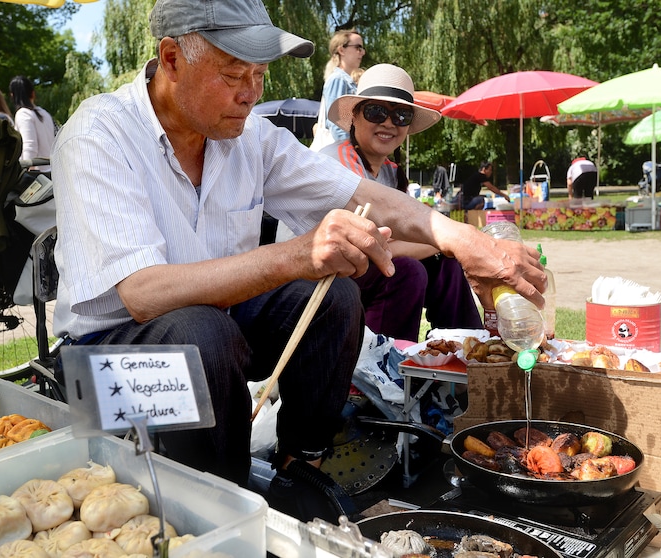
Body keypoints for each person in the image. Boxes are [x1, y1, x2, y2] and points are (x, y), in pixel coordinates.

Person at [51, 0, 544, 523]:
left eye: (260, 74)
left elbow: (360, 193)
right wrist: (295, 254)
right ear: (171, 59)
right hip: (102, 367)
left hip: (216, 327)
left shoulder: (245, 136)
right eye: (234, 74)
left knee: (331, 294)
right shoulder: (100, 132)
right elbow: (142, 293)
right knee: (201, 333)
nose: (251, 93)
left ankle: (301, 462)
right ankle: (219, 509)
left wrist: (463, 240)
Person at [320, 63, 481, 340]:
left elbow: (406, 235)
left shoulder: (389, 172)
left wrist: (445, 246)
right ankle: (383, 370)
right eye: (376, 111)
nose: (388, 123)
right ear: (355, 116)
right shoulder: (339, 162)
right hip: (320, 280)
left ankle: (465, 349)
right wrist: (445, 241)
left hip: (358, 271)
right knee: (407, 270)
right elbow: (383, 247)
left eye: (401, 115)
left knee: (446, 264)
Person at [311, 29, 364, 147]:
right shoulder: (338, 80)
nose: (362, 52)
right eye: (358, 47)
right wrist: (350, 152)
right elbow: (336, 122)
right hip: (342, 153)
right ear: (341, 50)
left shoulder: (344, 80)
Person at [9, 75, 56, 173]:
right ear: (32, 93)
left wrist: (26, 170)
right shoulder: (44, 113)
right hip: (52, 169)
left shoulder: (23, 114)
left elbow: (29, 146)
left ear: (12, 96)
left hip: (37, 173)